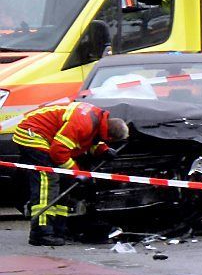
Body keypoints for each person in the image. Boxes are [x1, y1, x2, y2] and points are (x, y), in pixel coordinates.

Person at [13, 102, 129, 246]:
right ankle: (41, 233)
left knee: (64, 181)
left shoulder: (98, 119)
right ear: (110, 136)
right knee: (48, 180)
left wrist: (103, 150)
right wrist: (77, 173)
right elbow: (58, 151)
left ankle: (59, 229)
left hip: (47, 134)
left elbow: (88, 140)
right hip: (32, 133)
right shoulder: (84, 123)